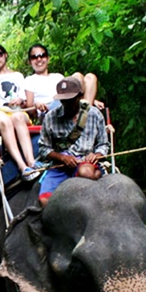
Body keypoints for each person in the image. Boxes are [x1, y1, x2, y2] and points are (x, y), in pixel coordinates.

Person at [36, 75, 110, 206]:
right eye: (63, 101)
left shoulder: (93, 114)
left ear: (80, 97)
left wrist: (96, 155)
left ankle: (97, 174)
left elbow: (103, 144)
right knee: (44, 200)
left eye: (70, 100)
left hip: (84, 162)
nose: (67, 104)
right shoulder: (51, 117)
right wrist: (61, 157)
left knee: (86, 172)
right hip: (59, 166)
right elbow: (43, 148)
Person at [0, 42, 40, 181]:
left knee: (17, 117)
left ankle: (32, 162)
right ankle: (22, 166)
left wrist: (20, 101)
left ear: (5, 55)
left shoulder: (18, 76)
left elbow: (25, 100)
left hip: (17, 111)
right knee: (4, 119)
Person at [23, 44, 103, 122]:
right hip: (49, 110)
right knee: (76, 77)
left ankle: (83, 119)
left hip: (67, 103)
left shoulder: (58, 77)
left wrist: (93, 100)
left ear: (48, 58)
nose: (39, 59)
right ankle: (82, 120)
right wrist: (37, 104)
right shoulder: (29, 80)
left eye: (42, 55)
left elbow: (70, 93)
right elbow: (29, 107)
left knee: (90, 77)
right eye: (34, 57)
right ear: (30, 61)